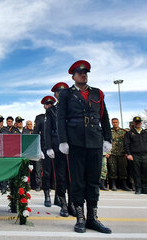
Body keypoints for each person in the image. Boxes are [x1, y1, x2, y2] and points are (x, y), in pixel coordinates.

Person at [57, 60, 112, 234]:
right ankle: (80, 218)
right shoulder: (66, 94)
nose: (83, 75)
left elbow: (104, 117)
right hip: (75, 142)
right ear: (73, 76)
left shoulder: (97, 93)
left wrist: (107, 139)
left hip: (95, 141)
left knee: (94, 181)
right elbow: (60, 118)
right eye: (80, 73)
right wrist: (63, 140)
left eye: (85, 72)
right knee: (78, 181)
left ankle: (92, 218)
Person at [45, 82, 76, 217]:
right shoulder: (51, 110)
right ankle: (63, 204)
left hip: (74, 145)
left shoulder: (74, 107)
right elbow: (47, 130)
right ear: (56, 95)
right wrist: (49, 147)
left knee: (74, 177)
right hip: (58, 146)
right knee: (61, 176)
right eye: (60, 92)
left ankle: (72, 204)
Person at [37, 96, 58, 207]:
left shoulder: (58, 115)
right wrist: (39, 149)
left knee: (59, 173)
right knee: (47, 172)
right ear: (44, 106)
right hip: (46, 147)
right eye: (47, 104)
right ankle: (47, 195)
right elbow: (36, 135)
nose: (49, 106)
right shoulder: (40, 118)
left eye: (50, 104)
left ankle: (59, 196)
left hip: (58, 146)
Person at [124, 116, 147, 195]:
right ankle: (138, 188)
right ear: (133, 123)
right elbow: (127, 144)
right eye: (136, 122)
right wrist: (129, 154)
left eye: (139, 122)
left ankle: (145, 188)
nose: (138, 124)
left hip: (145, 155)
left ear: (141, 123)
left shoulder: (145, 132)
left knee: (145, 172)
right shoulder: (129, 133)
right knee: (136, 172)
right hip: (135, 155)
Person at [106, 118, 130, 191]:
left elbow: (127, 143)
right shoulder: (109, 131)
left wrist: (127, 152)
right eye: (113, 122)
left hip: (122, 153)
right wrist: (107, 152)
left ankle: (124, 185)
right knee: (113, 169)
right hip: (112, 153)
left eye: (116, 122)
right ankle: (113, 185)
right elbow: (106, 142)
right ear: (111, 123)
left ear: (118, 122)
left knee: (123, 169)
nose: (115, 123)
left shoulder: (123, 132)